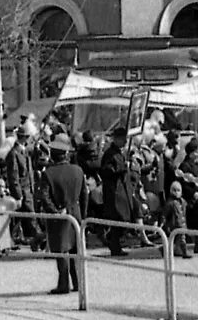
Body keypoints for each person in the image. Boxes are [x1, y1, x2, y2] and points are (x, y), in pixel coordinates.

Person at [37, 133, 88, 294]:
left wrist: (55, 211)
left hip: (59, 216)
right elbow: (84, 195)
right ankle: (78, 282)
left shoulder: (48, 173)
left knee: (61, 251)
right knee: (75, 250)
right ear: (66, 154)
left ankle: (63, 284)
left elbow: (44, 197)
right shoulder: (78, 171)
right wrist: (83, 216)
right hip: (76, 213)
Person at [99, 126, 135, 257]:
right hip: (114, 192)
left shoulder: (120, 152)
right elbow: (106, 171)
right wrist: (122, 168)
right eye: (123, 139)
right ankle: (114, 245)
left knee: (124, 218)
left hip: (122, 190)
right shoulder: (109, 154)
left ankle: (114, 242)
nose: (125, 141)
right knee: (118, 219)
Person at [160, 180, 191, 259]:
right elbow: (165, 214)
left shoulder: (183, 202)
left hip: (181, 224)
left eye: (178, 190)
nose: (176, 192)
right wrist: (163, 223)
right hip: (173, 224)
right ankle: (166, 250)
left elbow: (185, 211)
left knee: (182, 239)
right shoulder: (170, 203)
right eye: (174, 190)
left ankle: (184, 252)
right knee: (171, 239)